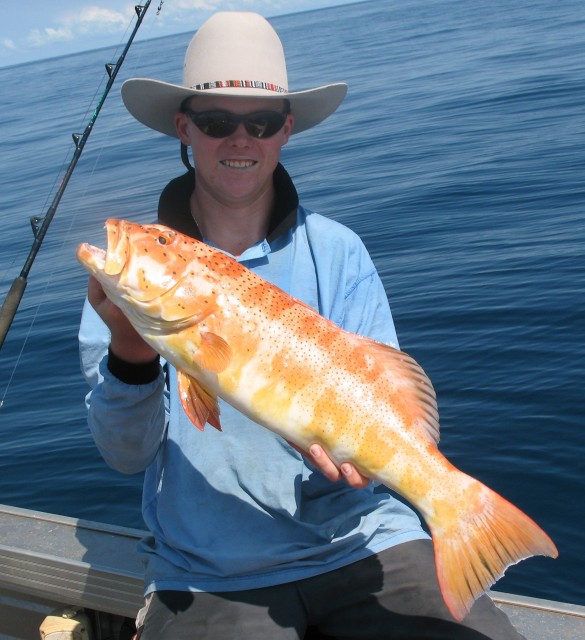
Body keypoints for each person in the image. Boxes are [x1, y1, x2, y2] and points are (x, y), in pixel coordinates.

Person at [79, 11, 527, 640]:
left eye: (259, 122)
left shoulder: (339, 251)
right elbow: (125, 457)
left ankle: (459, 508)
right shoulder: (120, 300)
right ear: (184, 127)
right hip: (212, 571)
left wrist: (362, 456)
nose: (240, 140)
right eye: (215, 122)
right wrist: (131, 352)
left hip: (363, 543)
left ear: (285, 129)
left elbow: (387, 394)